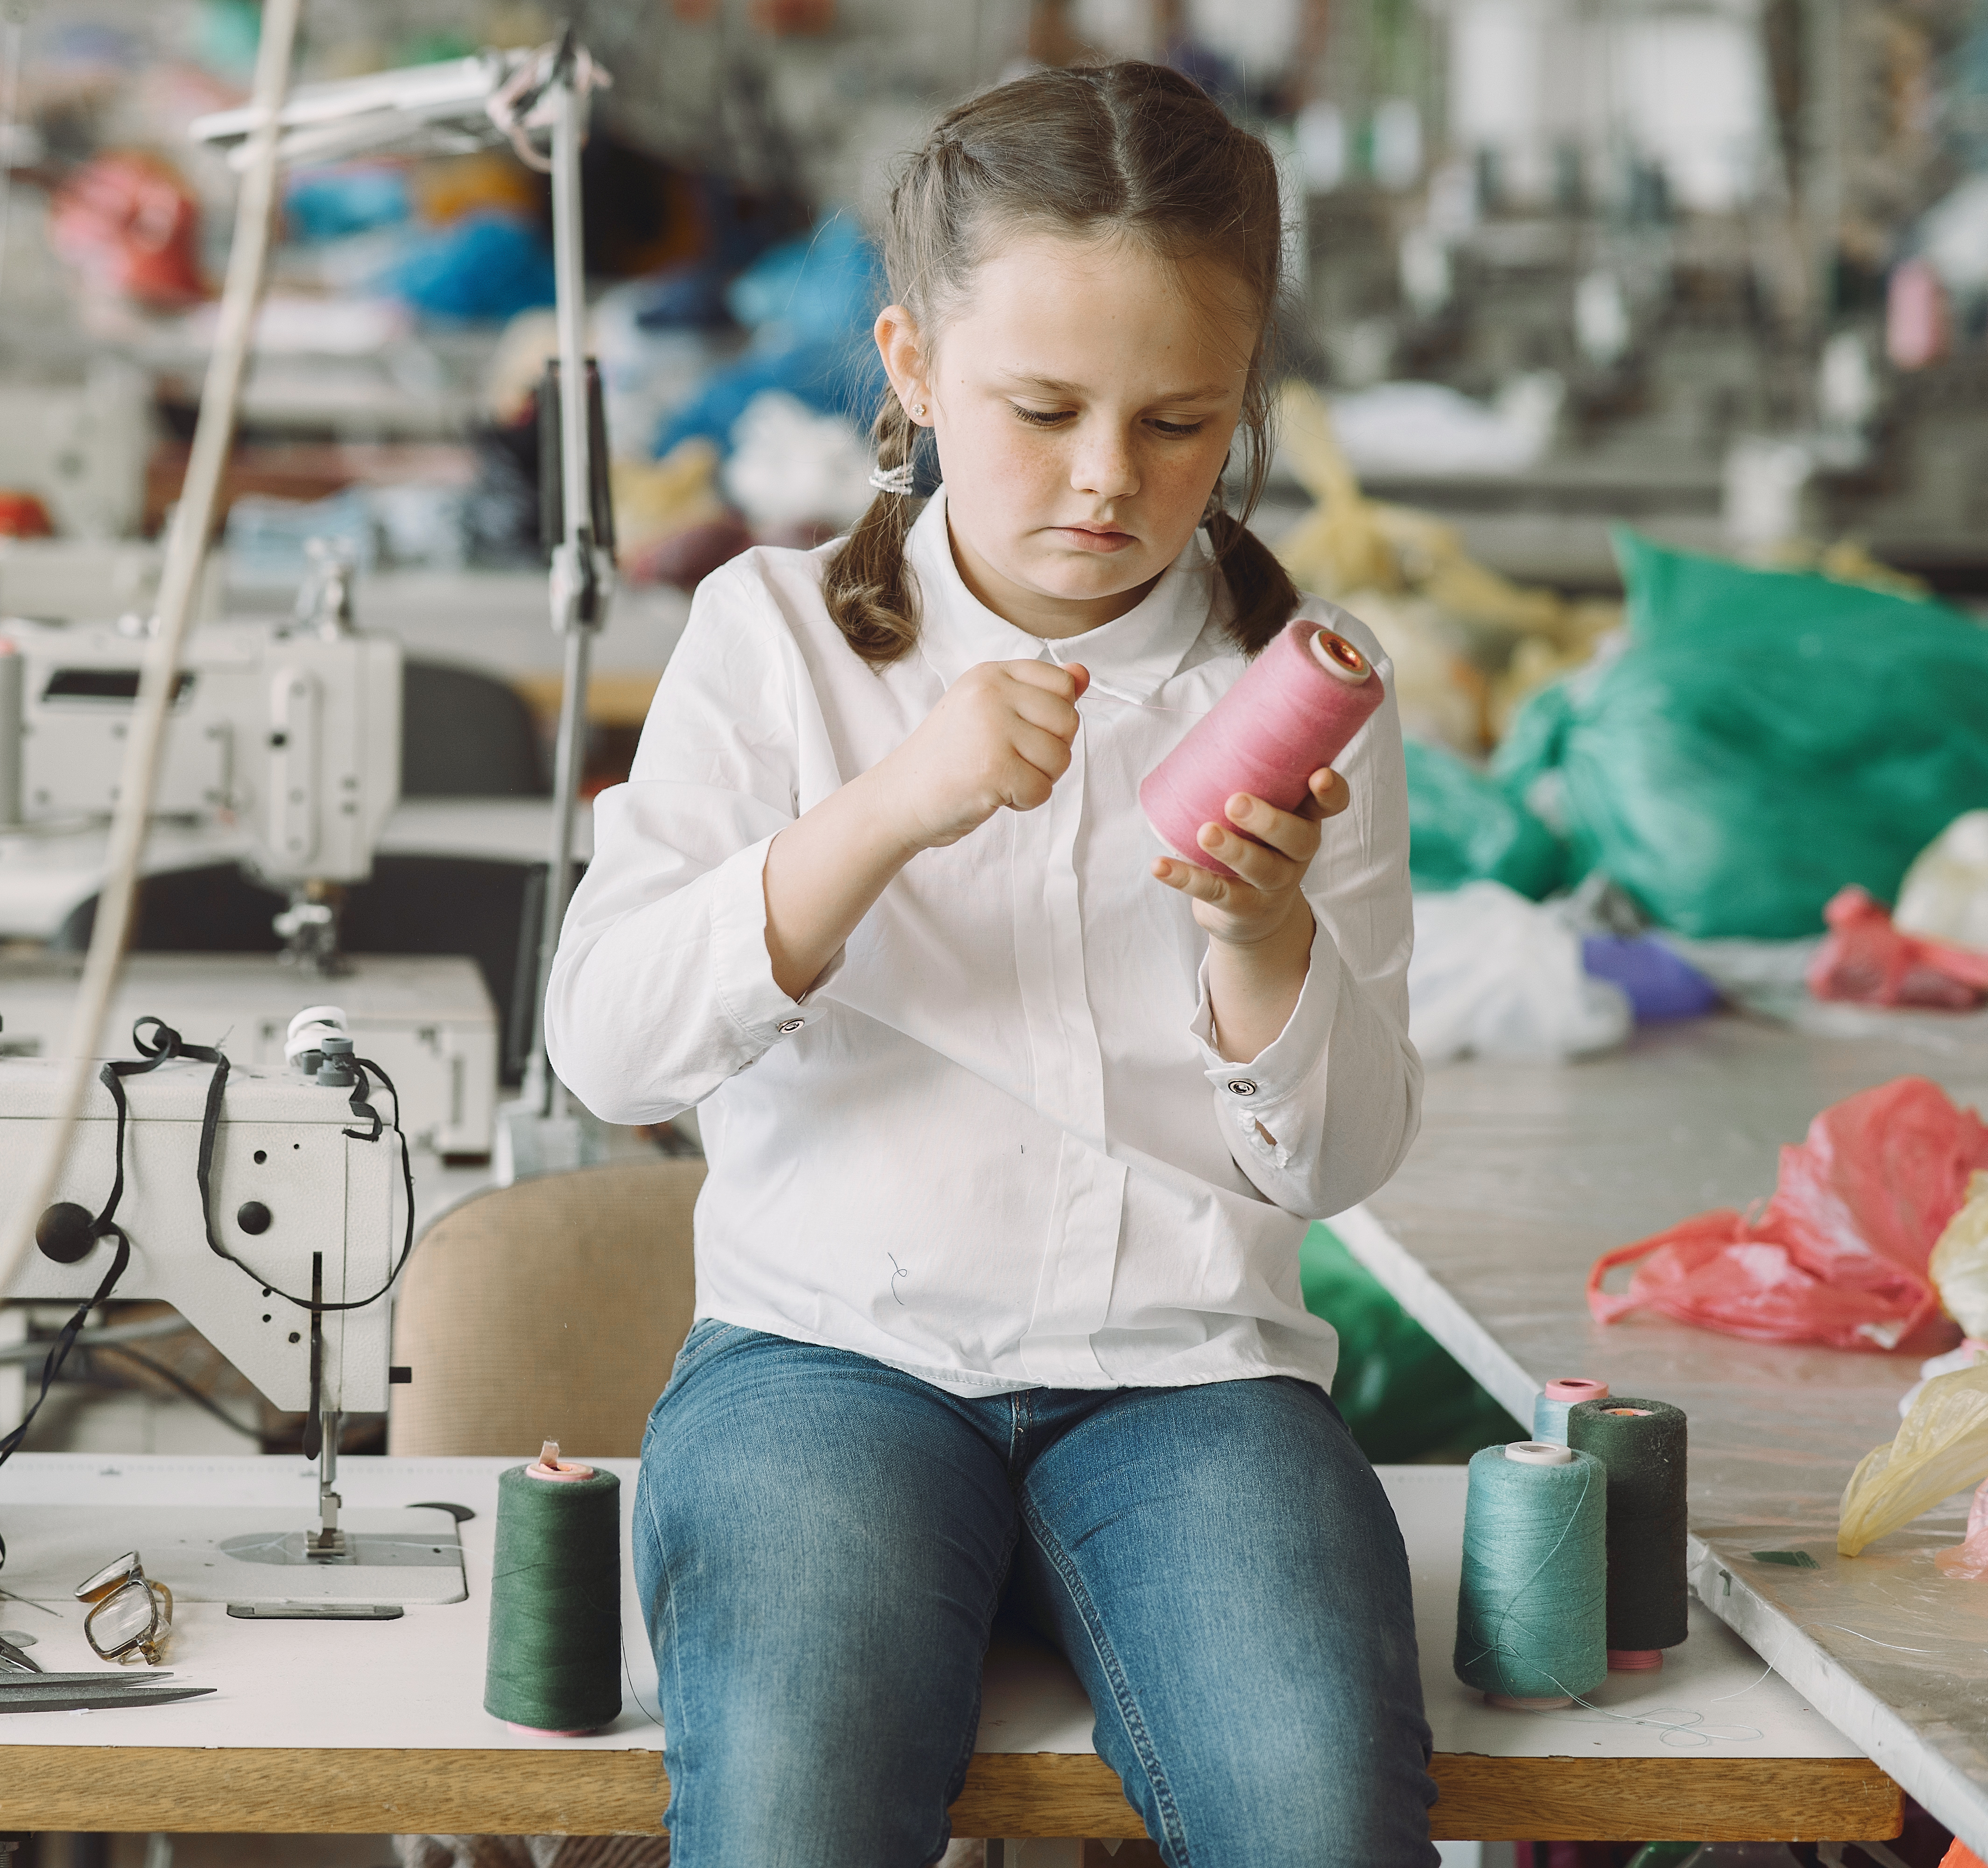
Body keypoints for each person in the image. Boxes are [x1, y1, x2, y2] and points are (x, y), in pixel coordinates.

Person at [543, 62, 1433, 1868]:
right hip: (831, 1359)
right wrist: (883, 811)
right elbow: (609, 1051)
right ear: (913, 366)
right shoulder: (777, 639)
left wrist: (1264, 941)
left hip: (1189, 1375)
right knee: (793, 1817)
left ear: (1246, 400)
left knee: (1320, 1818)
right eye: (1043, 410)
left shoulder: (1304, 694)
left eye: (1182, 424)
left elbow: (1339, 1164)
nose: (1111, 482)